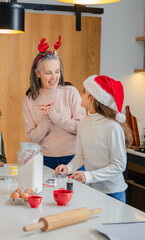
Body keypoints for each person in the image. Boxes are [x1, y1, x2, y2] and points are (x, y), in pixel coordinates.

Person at [55, 75, 133, 203]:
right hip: (92, 190)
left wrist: (89, 176)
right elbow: (81, 156)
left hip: (113, 194)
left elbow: (119, 165)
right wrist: (68, 168)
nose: (81, 94)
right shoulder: (83, 123)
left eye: (84, 91)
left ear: (92, 99)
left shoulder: (112, 127)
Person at [23, 36, 86, 170]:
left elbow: (82, 128)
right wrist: (46, 119)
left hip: (73, 159)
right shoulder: (30, 98)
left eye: (57, 71)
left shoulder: (70, 92)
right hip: (44, 159)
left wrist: (55, 117)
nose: (54, 78)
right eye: (48, 73)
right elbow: (32, 138)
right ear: (37, 73)